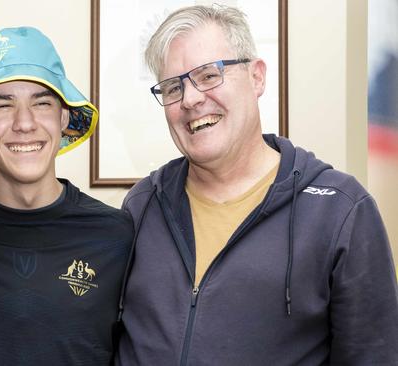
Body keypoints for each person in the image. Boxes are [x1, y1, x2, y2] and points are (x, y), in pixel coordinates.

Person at [115, 5, 398, 366]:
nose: (190, 99)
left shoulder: (340, 211)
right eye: (173, 87)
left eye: (208, 75)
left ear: (257, 77)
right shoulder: (142, 205)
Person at [0, 26, 133, 365]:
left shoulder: (116, 235)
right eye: (2, 105)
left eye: (42, 103)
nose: (24, 123)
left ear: (63, 116)